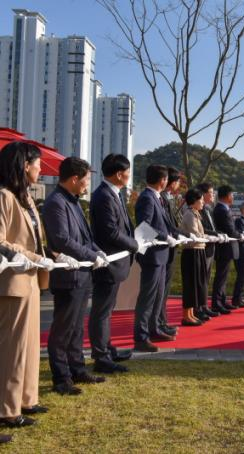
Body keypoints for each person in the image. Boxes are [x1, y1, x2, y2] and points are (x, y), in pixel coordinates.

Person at [0, 142, 55, 428]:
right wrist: (34, 258)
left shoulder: (26, 198)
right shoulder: (4, 196)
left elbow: (36, 240)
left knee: (30, 344)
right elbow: (1, 241)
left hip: (31, 279)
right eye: (37, 164)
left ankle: (26, 398)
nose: (40, 169)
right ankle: (6, 409)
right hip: (12, 281)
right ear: (24, 166)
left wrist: (52, 257)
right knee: (12, 348)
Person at [43, 157, 109, 394]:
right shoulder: (56, 202)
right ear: (74, 179)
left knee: (77, 327)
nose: (87, 185)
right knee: (63, 329)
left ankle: (77, 369)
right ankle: (61, 378)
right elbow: (62, 240)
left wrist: (97, 250)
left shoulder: (73, 201)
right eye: (86, 180)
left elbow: (85, 237)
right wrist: (91, 255)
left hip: (82, 274)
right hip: (68, 275)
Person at [89, 154, 139, 374]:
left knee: (107, 310)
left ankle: (107, 350)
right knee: (101, 311)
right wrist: (135, 244)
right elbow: (110, 232)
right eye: (127, 172)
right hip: (108, 262)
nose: (129, 175)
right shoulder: (103, 196)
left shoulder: (113, 193)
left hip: (116, 261)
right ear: (119, 174)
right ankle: (101, 357)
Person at [133, 165, 180, 352]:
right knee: (147, 299)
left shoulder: (157, 197)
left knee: (157, 297)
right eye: (166, 179)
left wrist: (176, 234)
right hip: (153, 255)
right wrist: (164, 237)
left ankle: (154, 329)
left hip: (161, 255)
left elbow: (165, 224)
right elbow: (144, 226)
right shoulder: (147, 197)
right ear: (162, 180)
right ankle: (141, 336)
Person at [157, 166, 183, 338]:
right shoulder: (160, 198)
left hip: (169, 247)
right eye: (178, 181)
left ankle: (162, 321)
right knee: (160, 291)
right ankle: (159, 322)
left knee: (164, 290)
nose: (178, 185)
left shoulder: (167, 198)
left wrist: (181, 234)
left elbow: (172, 224)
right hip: (161, 248)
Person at [180, 188, 211, 326]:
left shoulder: (195, 213)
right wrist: (208, 237)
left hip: (198, 250)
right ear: (194, 200)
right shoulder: (189, 214)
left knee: (197, 284)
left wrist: (206, 237)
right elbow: (195, 233)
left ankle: (191, 314)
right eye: (201, 200)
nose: (203, 202)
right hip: (191, 252)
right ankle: (186, 316)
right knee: (190, 284)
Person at [196, 182, 224, 316]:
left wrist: (218, 233)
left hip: (211, 248)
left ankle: (204, 306)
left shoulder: (208, 209)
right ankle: (198, 308)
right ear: (203, 194)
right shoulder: (198, 210)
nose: (213, 195)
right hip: (202, 248)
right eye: (211, 193)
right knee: (201, 279)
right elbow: (202, 229)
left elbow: (212, 228)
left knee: (207, 279)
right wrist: (216, 234)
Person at [212, 185, 242, 310]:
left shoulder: (225, 209)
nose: (233, 197)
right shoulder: (221, 210)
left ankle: (222, 301)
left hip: (227, 247)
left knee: (224, 276)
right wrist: (239, 235)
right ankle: (217, 303)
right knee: (221, 276)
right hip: (224, 248)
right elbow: (229, 229)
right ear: (227, 196)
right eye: (232, 195)